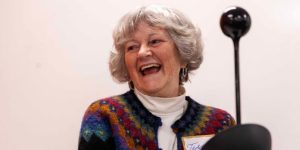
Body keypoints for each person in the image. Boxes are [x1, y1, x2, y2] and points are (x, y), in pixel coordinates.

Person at [78, 5, 235, 150]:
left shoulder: (221, 124)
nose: (142, 52)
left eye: (154, 41)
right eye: (132, 47)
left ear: (182, 53)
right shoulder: (104, 115)